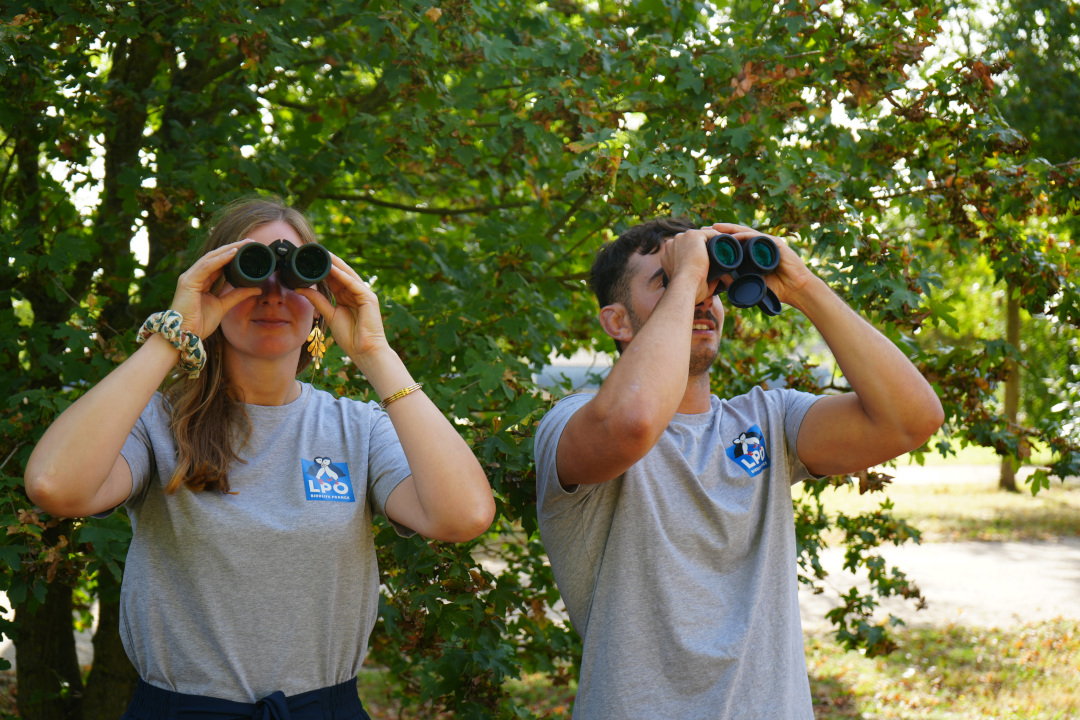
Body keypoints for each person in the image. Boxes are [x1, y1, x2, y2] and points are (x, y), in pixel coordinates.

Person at [24, 196, 496, 719]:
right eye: (249, 271)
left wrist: (375, 354)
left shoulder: (357, 429)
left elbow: (464, 515)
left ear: (319, 292)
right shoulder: (156, 423)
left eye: (292, 273)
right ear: (210, 283)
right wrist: (172, 337)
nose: (271, 293)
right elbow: (55, 486)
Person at [534, 218, 944, 719]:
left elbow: (913, 419)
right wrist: (688, 277)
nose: (703, 296)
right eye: (664, 278)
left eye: (711, 281)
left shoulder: (768, 420)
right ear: (617, 322)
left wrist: (804, 287)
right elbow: (632, 423)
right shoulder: (570, 423)